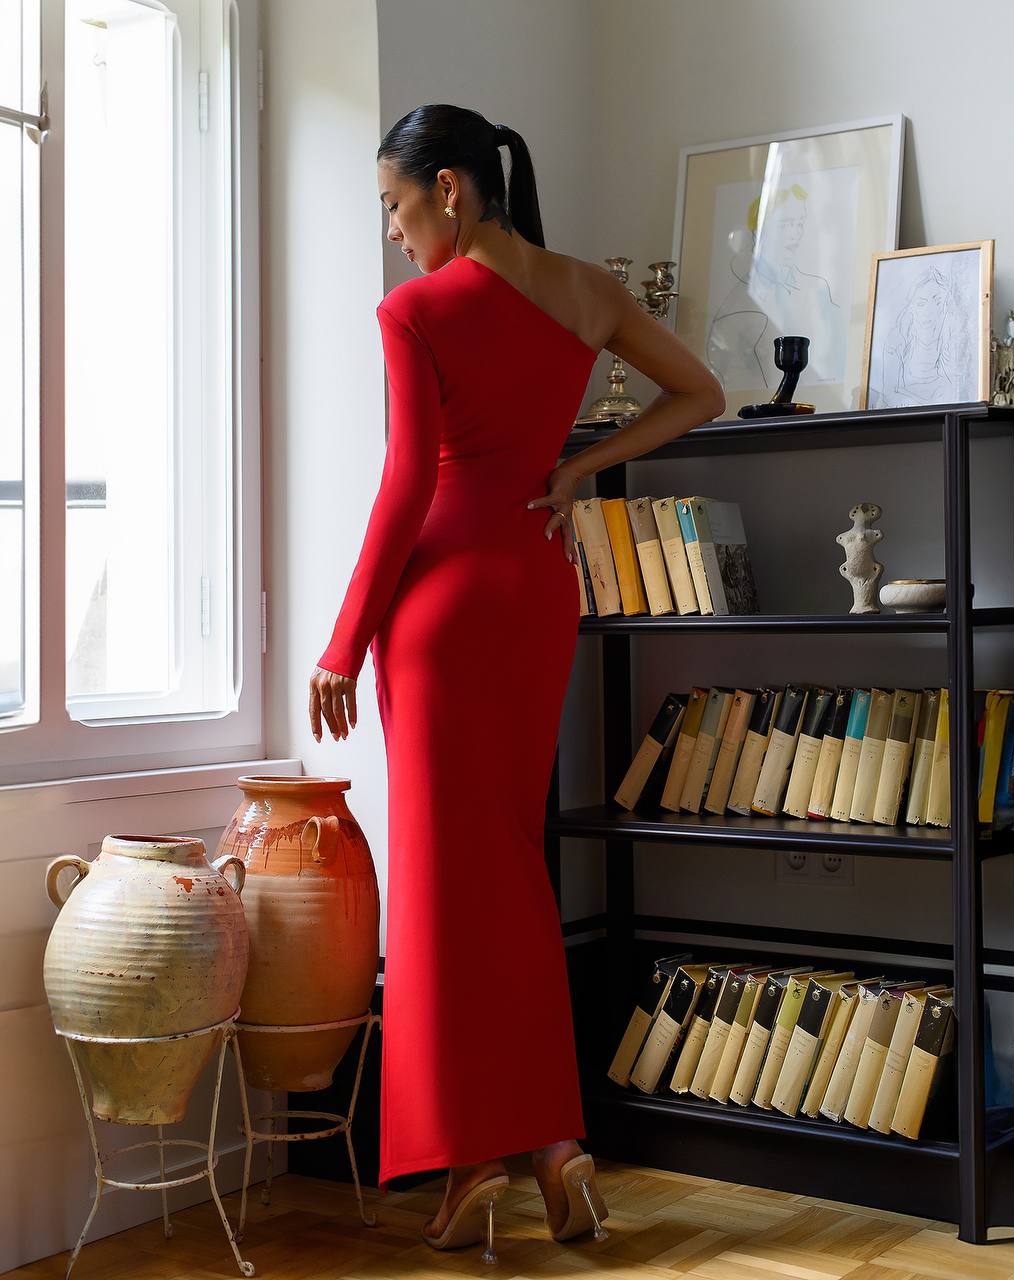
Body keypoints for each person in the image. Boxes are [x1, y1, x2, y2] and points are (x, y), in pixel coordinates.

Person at [308, 103, 725, 1262]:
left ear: (449, 189)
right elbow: (702, 392)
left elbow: (403, 488)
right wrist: (581, 467)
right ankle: (549, 1145)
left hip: (440, 608)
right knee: (512, 870)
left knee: (447, 888)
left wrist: (342, 642)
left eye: (393, 207)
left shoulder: (414, 311)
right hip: (539, 591)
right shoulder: (587, 290)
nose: (391, 235)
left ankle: (473, 1166)